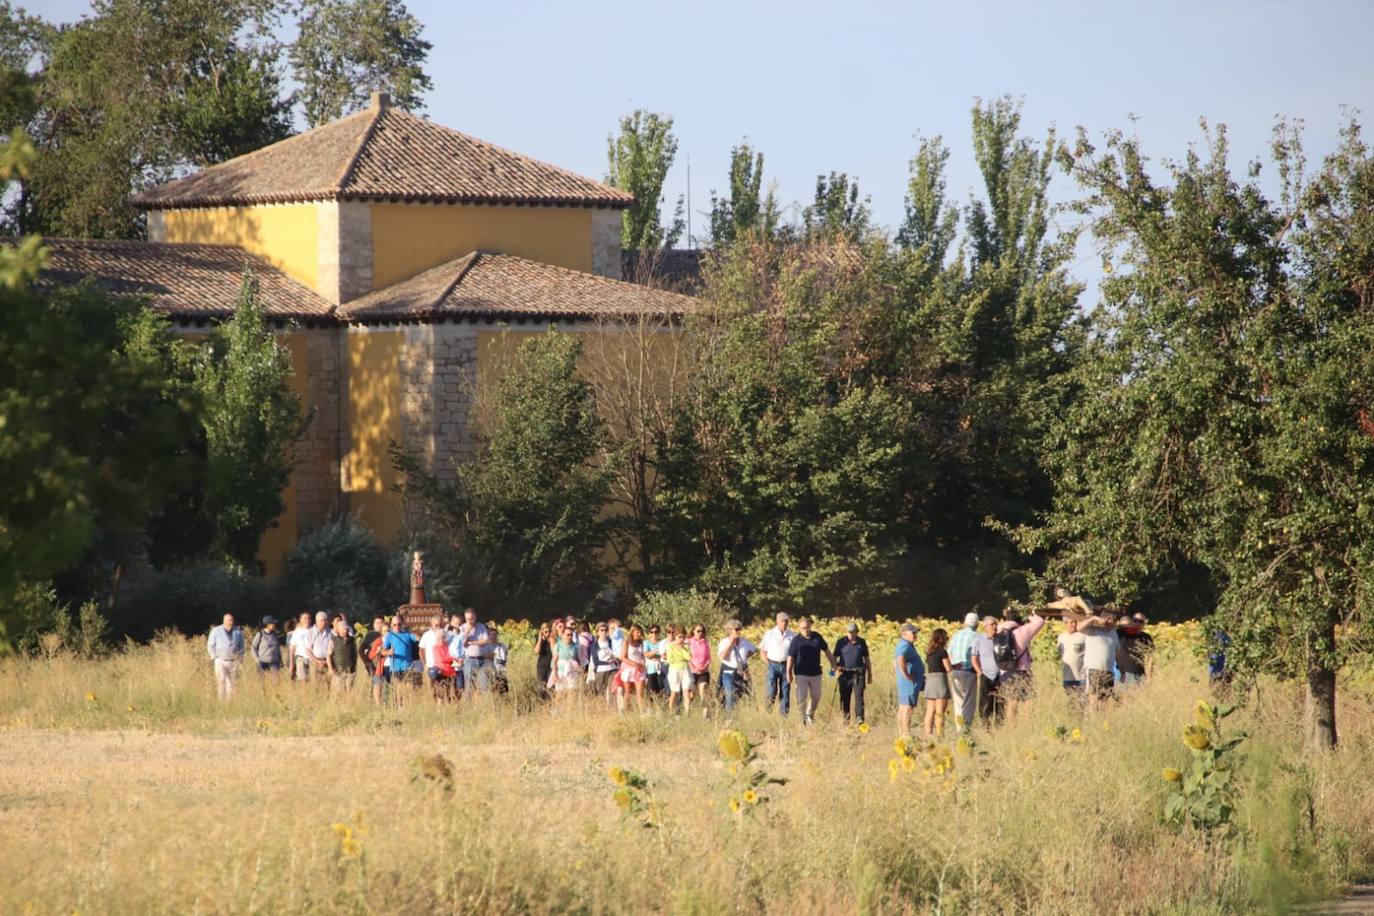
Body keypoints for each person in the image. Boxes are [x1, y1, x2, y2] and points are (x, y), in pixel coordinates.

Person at [993, 607, 1047, 717]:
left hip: (1005, 671)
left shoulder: (999, 631)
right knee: (1029, 701)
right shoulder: (1022, 631)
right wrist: (1027, 612)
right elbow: (1040, 621)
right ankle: (1029, 726)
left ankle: (1012, 729)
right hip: (1022, 670)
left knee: (1012, 702)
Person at [786, 616, 835, 725]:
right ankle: (802, 718)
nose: (806, 630)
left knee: (816, 696)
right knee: (802, 697)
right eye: (803, 628)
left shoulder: (817, 637)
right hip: (801, 674)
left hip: (816, 673)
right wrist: (788, 672)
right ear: (799, 629)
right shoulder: (796, 640)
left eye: (807, 627)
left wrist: (833, 664)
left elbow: (827, 651)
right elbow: (791, 657)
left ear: (810, 626)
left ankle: (810, 714)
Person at [1077, 610, 1124, 708]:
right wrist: (1093, 618)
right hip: (1093, 669)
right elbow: (1079, 627)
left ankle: (1102, 721)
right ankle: (1092, 721)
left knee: (1104, 699)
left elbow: (1117, 653)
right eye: (1112, 620)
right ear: (1105, 619)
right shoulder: (1092, 630)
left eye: (1115, 620)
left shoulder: (1113, 633)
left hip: (1108, 671)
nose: (1114, 622)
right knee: (1093, 698)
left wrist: (1122, 671)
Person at [833, 623, 872, 725]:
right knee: (845, 697)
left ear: (856, 632)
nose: (850, 634)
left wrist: (870, 674)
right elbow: (834, 658)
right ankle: (846, 718)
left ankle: (860, 718)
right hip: (844, 673)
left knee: (859, 696)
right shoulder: (841, 642)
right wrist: (835, 670)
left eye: (852, 632)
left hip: (858, 673)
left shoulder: (861, 642)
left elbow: (866, 658)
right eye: (848, 632)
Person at [947, 612, 979, 732]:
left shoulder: (956, 635)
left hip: (956, 670)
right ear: (976, 624)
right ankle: (966, 729)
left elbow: (949, 653)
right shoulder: (976, 636)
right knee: (969, 701)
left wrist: (952, 666)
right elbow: (977, 656)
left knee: (958, 701)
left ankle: (958, 728)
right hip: (969, 671)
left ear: (965, 623)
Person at [716, 620, 756, 715]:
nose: (739, 631)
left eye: (740, 629)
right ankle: (728, 717)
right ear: (730, 630)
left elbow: (753, 650)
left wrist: (745, 658)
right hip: (728, 672)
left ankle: (735, 714)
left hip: (741, 671)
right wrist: (731, 643)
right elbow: (722, 657)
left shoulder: (744, 642)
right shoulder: (724, 642)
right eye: (736, 629)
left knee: (741, 695)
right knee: (730, 694)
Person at [760, 612, 795, 716]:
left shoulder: (792, 635)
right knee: (771, 690)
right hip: (772, 664)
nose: (784, 623)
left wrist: (791, 666)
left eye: (786, 621)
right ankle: (768, 712)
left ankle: (784, 716)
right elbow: (763, 651)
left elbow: (794, 653)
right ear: (777, 621)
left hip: (786, 665)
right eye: (782, 621)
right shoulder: (770, 634)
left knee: (785, 691)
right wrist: (767, 662)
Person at [971, 616, 1003, 726]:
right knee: (985, 703)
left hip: (1000, 675)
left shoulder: (1001, 638)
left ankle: (999, 727)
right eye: (993, 624)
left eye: (996, 624)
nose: (995, 626)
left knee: (1000, 703)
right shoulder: (979, 639)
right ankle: (986, 727)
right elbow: (974, 658)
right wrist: (979, 672)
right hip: (986, 675)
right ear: (985, 627)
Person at [894, 623, 925, 737]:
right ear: (904, 634)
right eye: (913, 633)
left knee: (903, 706)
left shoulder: (906, 644)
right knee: (907, 708)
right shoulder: (905, 645)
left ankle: (902, 732)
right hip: (909, 684)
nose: (915, 635)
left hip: (908, 683)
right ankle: (906, 733)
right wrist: (906, 675)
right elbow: (900, 658)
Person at [207, 613, 244, 700]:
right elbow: (210, 645)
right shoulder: (216, 631)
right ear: (224, 621)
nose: (231, 622)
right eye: (229, 621)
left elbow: (241, 646)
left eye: (232, 620)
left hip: (233, 661)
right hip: (220, 660)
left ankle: (229, 702)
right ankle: (221, 701)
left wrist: (240, 658)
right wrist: (214, 657)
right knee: (221, 681)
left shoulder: (238, 632)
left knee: (232, 683)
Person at [456, 608, 493, 695]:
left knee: (485, 684)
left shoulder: (481, 627)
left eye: (471, 619)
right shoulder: (462, 628)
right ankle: (469, 707)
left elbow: (485, 641)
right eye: (467, 619)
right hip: (469, 660)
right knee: (469, 685)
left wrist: (472, 642)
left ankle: (485, 706)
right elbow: (463, 644)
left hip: (482, 659)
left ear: (475, 617)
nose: (469, 621)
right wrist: (467, 633)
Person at [923, 628, 952, 738]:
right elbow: (948, 668)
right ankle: (940, 735)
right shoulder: (942, 651)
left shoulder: (929, 651)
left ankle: (928, 734)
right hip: (939, 680)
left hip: (929, 680)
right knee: (940, 712)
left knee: (930, 710)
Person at [420, 616, 455, 703]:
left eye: (440, 624)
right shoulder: (426, 635)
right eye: (436, 625)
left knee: (445, 689)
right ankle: (434, 707)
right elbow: (421, 651)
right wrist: (424, 664)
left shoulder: (446, 634)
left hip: (445, 668)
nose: (438, 626)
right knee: (431, 689)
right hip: (431, 666)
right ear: (431, 625)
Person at [616, 624, 649, 713]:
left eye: (640, 632)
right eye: (637, 632)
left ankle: (642, 713)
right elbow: (623, 657)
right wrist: (634, 664)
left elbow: (642, 656)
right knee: (627, 692)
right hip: (629, 668)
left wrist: (643, 666)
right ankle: (626, 711)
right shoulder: (627, 642)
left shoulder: (641, 643)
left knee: (640, 693)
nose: (639, 634)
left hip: (639, 669)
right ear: (633, 632)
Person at [384, 615, 421, 694]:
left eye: (399, 624)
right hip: (395, 667)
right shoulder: (390, 635)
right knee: (399, 690)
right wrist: (388, 652)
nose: (397, 626)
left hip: (407, 667)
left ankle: (408, 705)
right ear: (391, 625)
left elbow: (418, 638)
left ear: (402, 624)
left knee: (409, 689)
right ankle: (400, 706)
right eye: (394, 625)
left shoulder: (407, 634)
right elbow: (382, 651)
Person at [1118, 612, 1155, 686]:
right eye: (1135, 620)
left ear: (1144, 624)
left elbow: (1150, 658)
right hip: (1124, 674)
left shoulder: (1146, 637)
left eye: (1140, 621)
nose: (1137, 623)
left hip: (1140, 675)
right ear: (1131, 621)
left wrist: (1149, 677)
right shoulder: (1121, 633)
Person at [665, 626, 694, 715]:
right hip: (674, 671)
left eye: (683, 637)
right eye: (679, 637)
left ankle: (687, 713)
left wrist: (682, 649)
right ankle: (670, 712)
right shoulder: (670, 646)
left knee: (686, 691)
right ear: (675, 636)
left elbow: (689, 657)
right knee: (674, 692)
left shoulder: (685, 647)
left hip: (685, 670)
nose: (681, 639)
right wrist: (682, 657)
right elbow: (670, 659)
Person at [551, 625, 582, 707]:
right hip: (561, 672)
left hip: (572, 672)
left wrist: (579, 669)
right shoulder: (558, 645)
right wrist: (555, 673)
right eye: (567, 635)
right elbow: (554, 660)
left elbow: (577, 659)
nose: (569, 637)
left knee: (572, 693)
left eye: (571, 635)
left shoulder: (575, 646)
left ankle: (570, 713)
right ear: (563, 635)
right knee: (560, 693)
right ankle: (556, 711)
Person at [1057, 616, 1087, 696]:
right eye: (1071, 622)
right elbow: (1060, 653)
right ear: (1065, 623)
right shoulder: (1061, 637)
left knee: (1082, 704)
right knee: (1071, 703)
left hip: (1081, 677)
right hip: (1067, 677)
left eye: (1075, 622)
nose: (1074, 624)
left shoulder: (1082, 636)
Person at [590, 623, 619, 701]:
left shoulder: (611, 642)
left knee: (613, 691)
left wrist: (615, 660)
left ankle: (613, 710)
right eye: (601, 630)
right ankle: (601, 710)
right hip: (601, 670)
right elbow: (595, 661)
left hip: (613, 669)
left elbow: (617, 653)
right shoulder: (595, 645)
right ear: (598, 632)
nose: (604, 632)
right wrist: (607, 663)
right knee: (600, 693)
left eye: (606, 630)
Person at [328, 614, 358, 691]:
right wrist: (331, 668)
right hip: (338, 672)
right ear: (338, 630)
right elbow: (329, 655)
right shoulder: (333, 640)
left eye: (346, 629)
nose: (345, 631)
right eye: (343, 629)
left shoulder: (353, 640)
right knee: (338, 693)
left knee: (349, 692)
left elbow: (355, 654)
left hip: (350, 672)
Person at [688, 624, 712, 718]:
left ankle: (705, 715)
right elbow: (687, 656)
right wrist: (694, 667)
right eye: (698, 631)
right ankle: (686, 711)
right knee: (692, 694)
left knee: (704, 690)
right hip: (692, 671)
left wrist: (705, 667)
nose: (700, 633)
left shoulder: (706, 642)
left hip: (704, 671)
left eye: (702, 631)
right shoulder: (689, 642)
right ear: (693, 631)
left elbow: (709, 657)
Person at [368, 618, 393, 705]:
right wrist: (377, 652)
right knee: (377, 687)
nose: (387, 633)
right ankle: (379, 706)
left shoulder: (393, 641)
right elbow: (370, 655)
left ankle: (388, 705)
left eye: (388, 631)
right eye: (385, 631)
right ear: (381, 632)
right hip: (380, 668)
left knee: (389, 687)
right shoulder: (378, 641)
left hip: (391, 667)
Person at [288, 612, 314, 681]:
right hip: (300, 658)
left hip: (312, 659)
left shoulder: (314, 630)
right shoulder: (297, 632)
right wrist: (291, 663)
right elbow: (292, 648)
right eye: (305, 618)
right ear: (300, 620)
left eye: (309, 618)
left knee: (313, 679)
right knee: (303, 679)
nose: (307, 620)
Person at [308, 611, 333, 682]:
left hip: (327, 661)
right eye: (322, 620)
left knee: (328, 683)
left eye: (325, 620)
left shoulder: (330, 632)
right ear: (317, 621)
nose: (324, 622)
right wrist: (316, 661)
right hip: (315, 662)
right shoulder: (310, 632)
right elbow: (308, 650)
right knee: (315, 684)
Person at [643, 626, 666, 698]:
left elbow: (664, 655)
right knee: (651, 690)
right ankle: (650, 708)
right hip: (650, 669)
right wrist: (657, 651)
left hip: (660, 669)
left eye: (656, 632)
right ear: (649, 633)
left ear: (659, 632)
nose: (654, 634)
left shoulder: (662, 642)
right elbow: (647, 655)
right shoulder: (646, 643)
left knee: (661, 689)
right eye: (652, 632)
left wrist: (653, 655)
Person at [534, 621, 555, 699]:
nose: (547, 633)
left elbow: (554, 652)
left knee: (550, 686)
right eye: (545, 632)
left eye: (549, 631)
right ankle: (542, 702)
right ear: (542, 632)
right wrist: (540, 639)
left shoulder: (553, 640)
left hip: (551, 666)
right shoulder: (539, 640)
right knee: (541, 687)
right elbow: (536, 651)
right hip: (541, 667)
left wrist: (551, 640)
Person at [360, 616, 384, 682]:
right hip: (372, 665)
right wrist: (368, 663)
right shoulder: (369, 635)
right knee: (374, 685)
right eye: (377, 623)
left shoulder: (387, 634)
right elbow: (361, 650)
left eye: (381, 623)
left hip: (385, 665)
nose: (379, 625)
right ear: (373, 625)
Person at [490, 624, 509, 694]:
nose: (493, 636)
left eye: (495, 634)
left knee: (503, 691)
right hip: (491, 672)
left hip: (501, 671)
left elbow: (506, 657)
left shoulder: (502, 646)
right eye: (491, 635)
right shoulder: (486, 647)